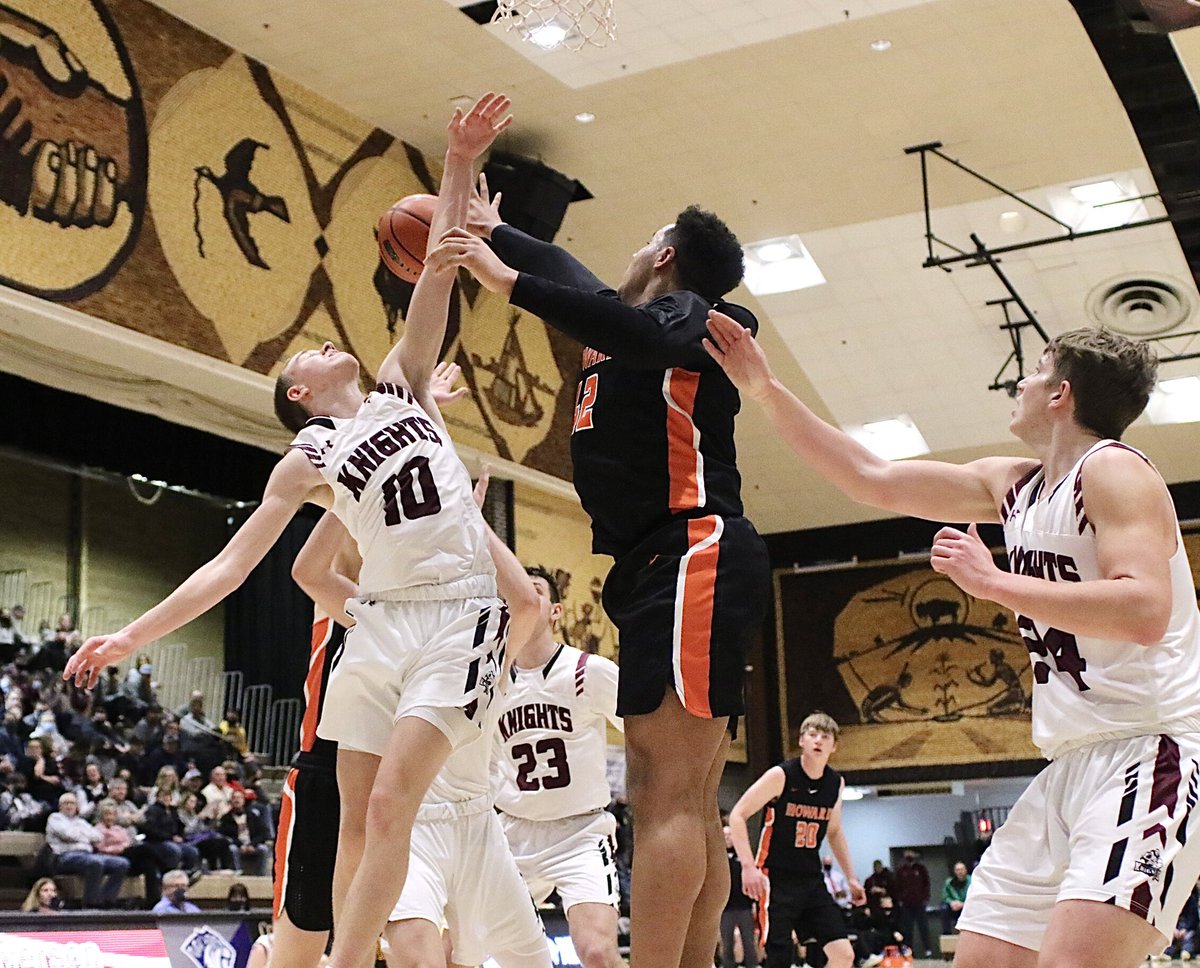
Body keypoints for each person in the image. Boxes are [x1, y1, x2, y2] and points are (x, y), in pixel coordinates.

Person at [703, 316, 1200, 968]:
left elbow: (1142, 609)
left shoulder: (1112, 472)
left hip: (1153, 751)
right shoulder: (1014, 483)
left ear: (1061, 394)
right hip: (1070, 763)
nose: (1018, 382)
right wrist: (765, 390)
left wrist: (996, 584)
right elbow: (871, 477)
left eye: (1036, 368)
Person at [435, 173, 770, 968]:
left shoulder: (700, 319)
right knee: (684, 793)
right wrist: (496, 231)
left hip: (695, 551)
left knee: (664, 790)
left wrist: (502, 277)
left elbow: (640, 327)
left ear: (663, 254)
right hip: (670, 560)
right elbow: (566, 267)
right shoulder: (627, 320)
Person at [492, 565, 624, 968]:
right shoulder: (490, 682)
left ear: (554, 611)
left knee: (598, 951)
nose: (524, 599)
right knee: (453, 952)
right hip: (511, 832)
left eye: (534, 592)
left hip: (580, 832)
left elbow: (648, 734)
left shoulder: (588, 672)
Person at [728, 713, 865, 968]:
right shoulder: (782, 776)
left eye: (825, 737)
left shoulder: (835, 783)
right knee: (779, 959)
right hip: (775, 878)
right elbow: (737, 815)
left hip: (811, 879)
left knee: (843, 954)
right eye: (812, 734)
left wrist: (851, 877)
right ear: (801, 740)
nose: (818, 741)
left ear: (833, 746)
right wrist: (748, 867)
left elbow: (834, 831)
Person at [45, 791, 130, 908]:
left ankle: (107, 900)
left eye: (72, 803)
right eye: (66, 803)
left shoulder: (81, 821)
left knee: (122, 863)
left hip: (87, 855)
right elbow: (67, 834)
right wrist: (85, 836)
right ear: (60, 806)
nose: (69, 806)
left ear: (76, 806)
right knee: (96, 863)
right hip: (65, 856)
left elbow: (98, 836)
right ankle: (91, 904)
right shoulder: (55, 818)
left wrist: (80, 835)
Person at [720, 822, 759, 968]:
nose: (728, 838)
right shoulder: (718, 859)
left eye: (730, 835)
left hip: (744, 907)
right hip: (725, 908)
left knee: (748, 942)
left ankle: (752, 965)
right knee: (727, 942)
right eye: (725, 835)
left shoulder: (744, 859)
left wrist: (754, 903)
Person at [218, 788, 272, 875]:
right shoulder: (226, 819)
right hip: (237, 845)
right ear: (230, 801)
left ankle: (260, 875)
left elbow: (264, 833)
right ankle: (238, 872)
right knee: (232, 849)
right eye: (234, 798)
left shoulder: (252, 816)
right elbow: (225, 836)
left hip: (253, 845)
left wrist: (252, 844)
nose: (237, 800)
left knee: (264, 849)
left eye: (239, 798)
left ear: (244, 800)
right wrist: (240, 845)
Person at [894, 850, 932, 957]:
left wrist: (925, 898)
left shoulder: (921, 868)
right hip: (906, 904)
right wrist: (900, 899)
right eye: (907, 853)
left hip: (920, 903)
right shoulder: (901, 870)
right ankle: (908, 950)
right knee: (907, 929)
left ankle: (928, 949)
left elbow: (927, 884)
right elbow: (897, 886)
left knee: (923, 927)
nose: (909, 855)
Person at [942, 861, 971, 935]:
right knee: (944, 908)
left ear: (965, 870)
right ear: (955, 871)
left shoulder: (972, 881)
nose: (960, 872)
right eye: (957, 870)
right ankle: (947, 934)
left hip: (967, 906)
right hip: (954, 907)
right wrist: (951, 902)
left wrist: (963, 904)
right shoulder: (949, 882)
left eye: (961, 869)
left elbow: (974, 896)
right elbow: (945, 896)